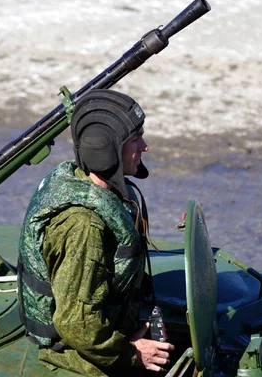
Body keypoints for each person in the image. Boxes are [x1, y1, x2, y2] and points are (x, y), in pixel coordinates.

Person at [18, 89, 174, 376]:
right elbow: (77, 324)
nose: (145, 146)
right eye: (135, 139)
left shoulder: (93, 188)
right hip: (77, 351)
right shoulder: (83, 227)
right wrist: (131, 355)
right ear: (108, 150)